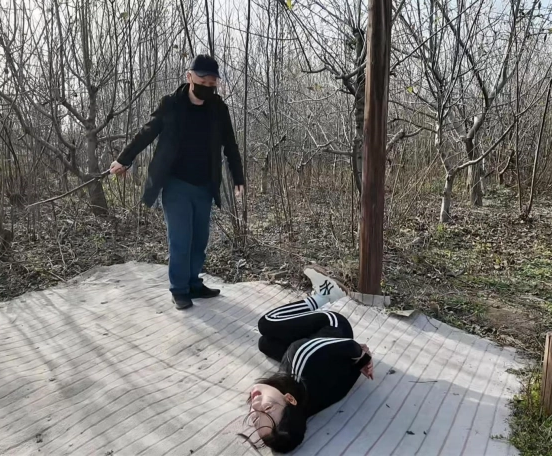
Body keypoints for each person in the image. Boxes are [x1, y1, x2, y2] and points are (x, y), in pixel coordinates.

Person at [110, 54, 245, 311]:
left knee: (199, 240)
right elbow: (147, 132)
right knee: (181, 239)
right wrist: (124, 159)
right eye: (203, 82)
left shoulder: (218, 109)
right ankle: (179, 289)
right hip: (175, 183)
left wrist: (238, 176)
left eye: (212, 83)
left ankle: (194, 283)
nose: (208, 87)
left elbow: (230, 144)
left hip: (205, 184)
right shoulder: (171, 104)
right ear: (189, 77)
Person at [243, 269, 375, 453]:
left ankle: (324, 299)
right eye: (267, 407)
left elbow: (343, 385)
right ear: (290, 399)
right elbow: (349, 346)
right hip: (333, 326)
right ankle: (325, 295)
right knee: (266, 323)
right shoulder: (300, 357)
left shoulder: (306, 407)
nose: (256, 404)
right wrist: (362, 357)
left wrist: (358, 365)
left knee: (264, 343)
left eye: (256, 418)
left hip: (321, 350)